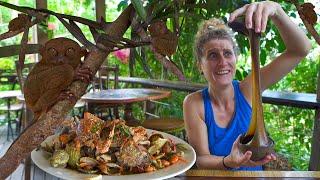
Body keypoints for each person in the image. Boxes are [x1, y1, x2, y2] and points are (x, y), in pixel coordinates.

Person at [183, 1, 311, 170]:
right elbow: (201, 160)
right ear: (200, 65)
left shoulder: (248, 88)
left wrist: (277, 11)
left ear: (235, 59)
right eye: (213, 55)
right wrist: (228, 162)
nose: (223, 63)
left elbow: (300, 50)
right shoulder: (194, 103)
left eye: (228, 53)